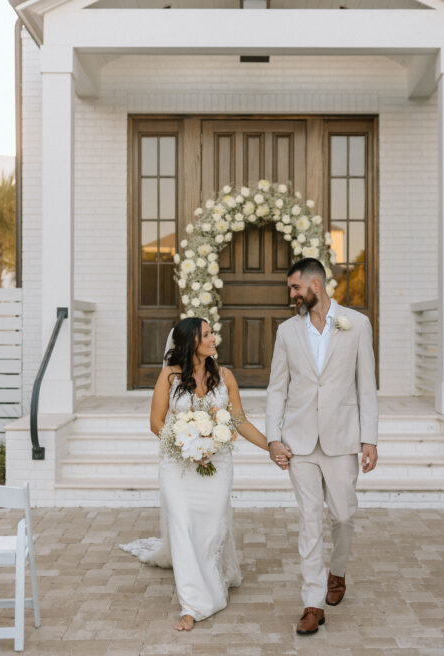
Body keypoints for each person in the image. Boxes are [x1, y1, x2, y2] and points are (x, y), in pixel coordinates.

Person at [125, 317, 268, 632]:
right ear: (191, 342)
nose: (213, 337)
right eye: (206, 334)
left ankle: (214, 576)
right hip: (178, 466)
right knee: (183, 525)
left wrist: (269, 446)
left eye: (211, 332)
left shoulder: (225, 376)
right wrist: (188, 446)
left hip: (217, 465)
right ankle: (193, 604)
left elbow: (239, 420)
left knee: (212, 527)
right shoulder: (169, 377)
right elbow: (156, 422)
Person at [265, 257, 378, 636]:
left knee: (343, 515)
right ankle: (312, 603)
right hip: (299, 442)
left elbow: (366, 386)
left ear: (315, 285)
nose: (292, 295)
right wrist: (273, 437)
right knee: (310, 521)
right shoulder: (286, 332)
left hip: (343, 438)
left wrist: (370, 438)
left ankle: (338, 570)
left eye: (295, 288)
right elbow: (277, 388)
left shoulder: (357, 324)